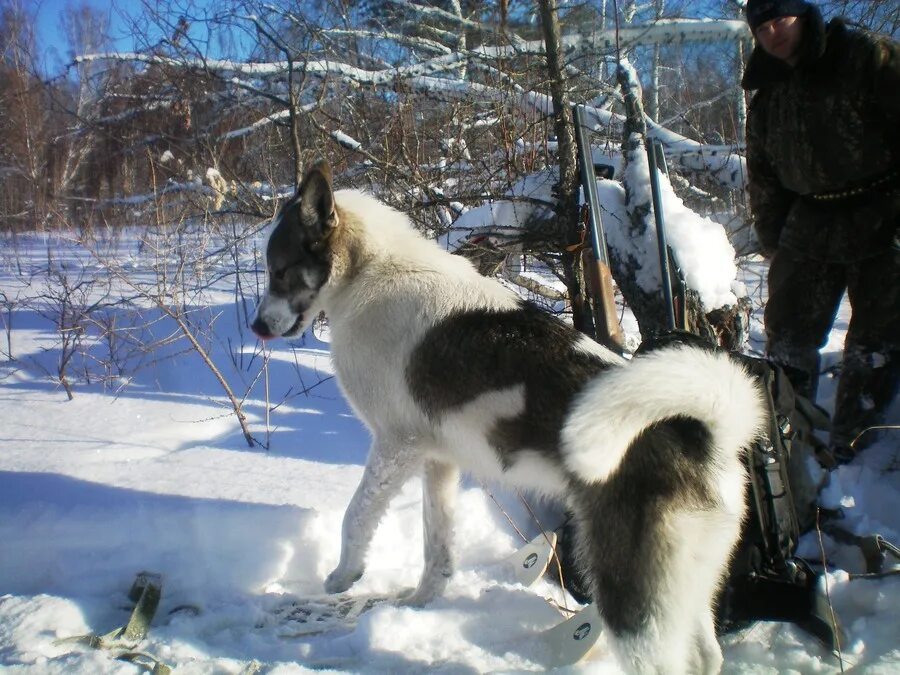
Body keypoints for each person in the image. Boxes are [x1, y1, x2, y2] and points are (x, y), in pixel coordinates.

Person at [742, 0, 899, 463]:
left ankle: (852, 449)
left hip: (884, 208)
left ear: (804, 14)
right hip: (810, 218)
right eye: (762, 26)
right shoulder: (767, 93)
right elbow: (763, 173)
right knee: (787, 331)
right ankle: (787, 436)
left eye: (780, 18)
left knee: (877, 339)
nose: (773, 31)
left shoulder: (863, 56)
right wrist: (772, 236)